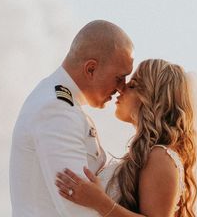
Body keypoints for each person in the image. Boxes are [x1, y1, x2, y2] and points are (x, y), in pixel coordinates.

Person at [55, 59, 197, 217]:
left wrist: (99, 202)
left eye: (132, 85)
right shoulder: (148, 154)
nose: (120, 89)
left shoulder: (160, 156)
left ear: (150, 97)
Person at [10, 20, 135, 217]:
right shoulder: (57, 111)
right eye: (119, 78)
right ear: (91, 69)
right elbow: (78, 212)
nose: (121, 88)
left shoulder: (61, 103)